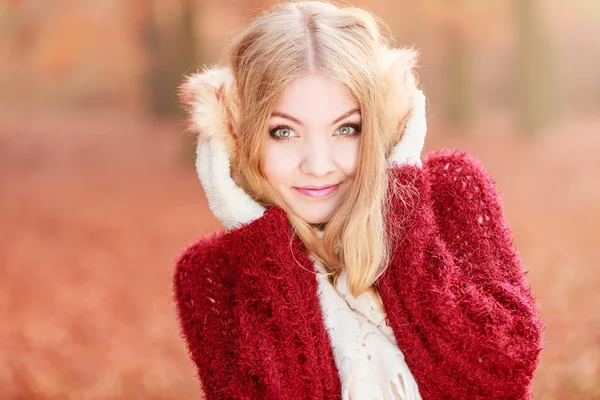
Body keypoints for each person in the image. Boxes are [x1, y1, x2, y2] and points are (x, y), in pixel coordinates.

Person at [173, 1, 544, 399]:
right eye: (283, 132)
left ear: (384, 123)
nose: (318, 165)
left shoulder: (451, 194)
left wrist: (398, 205)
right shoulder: (212, 274)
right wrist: (259, 244)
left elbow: (502, 371)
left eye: (348, 129)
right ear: (237, 139)